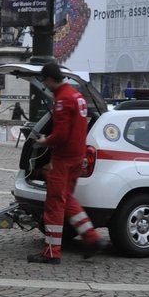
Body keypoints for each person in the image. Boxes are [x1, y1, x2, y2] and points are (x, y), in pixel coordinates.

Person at [27, 59, 101, 264]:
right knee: (67, 199)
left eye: (45, 81)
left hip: (64, 158)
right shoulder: (78, 96)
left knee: (54, 204)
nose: (45, 85)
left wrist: (43, 141)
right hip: (77, 156)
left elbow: (60, 135)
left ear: (50, 79)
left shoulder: (62, 100)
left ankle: (51, 252)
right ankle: (91, 237)